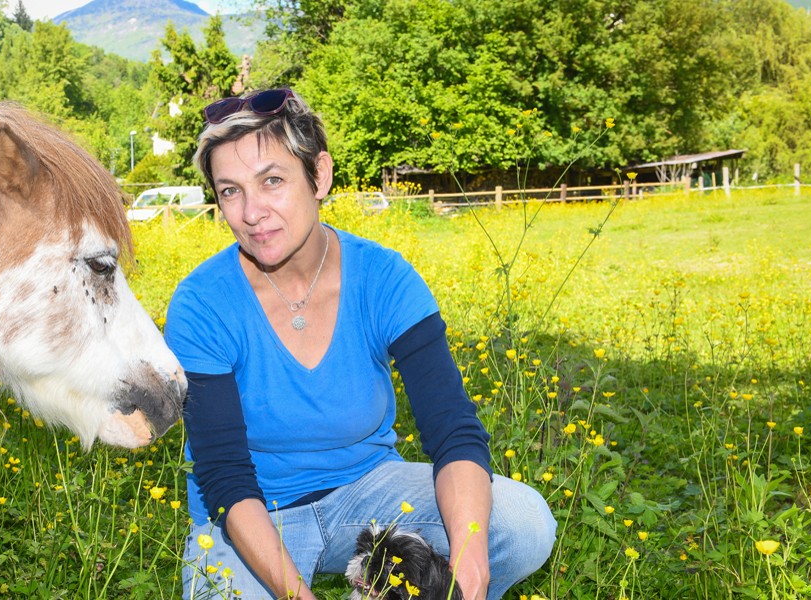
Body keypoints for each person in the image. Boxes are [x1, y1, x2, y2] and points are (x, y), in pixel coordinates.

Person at [165, 89, 556, 600]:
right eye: (231, 191)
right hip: (254, 515)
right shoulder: (202, 302)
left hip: (369, 495)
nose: (252, 212)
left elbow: (452, 429)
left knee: (523, 521)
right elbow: (225, 477)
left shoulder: (384, 276)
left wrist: (470, 565)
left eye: (273, 180)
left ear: (320, 175)